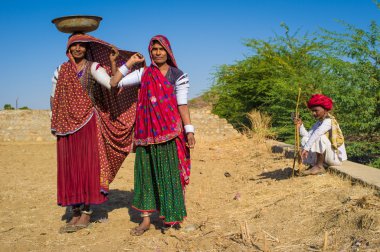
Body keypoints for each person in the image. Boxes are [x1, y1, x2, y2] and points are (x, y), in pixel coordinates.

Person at [50, 33, 140, 233]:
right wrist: (55, 122)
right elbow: (54, 97)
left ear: (87, 48)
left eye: (82, 46)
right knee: (70, 168)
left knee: (87, 166)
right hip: (66, 127)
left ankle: (87, 212)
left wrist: (123, 64)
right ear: (68, 49)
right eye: (75, 46)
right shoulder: (60, 70)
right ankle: (74, 210)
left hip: (88, 123)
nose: (78, 49)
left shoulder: (93, 67)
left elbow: (112, 83)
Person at [108, 35, 195, 235]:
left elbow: (182, 105)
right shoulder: (143, 73)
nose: (157, 52)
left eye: (161, 49)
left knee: (170, 175)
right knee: (145, 176)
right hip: (146, 133)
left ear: (168, 51)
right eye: (154, 49)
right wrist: (127, 63)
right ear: (150, 51)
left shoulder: (178, 75)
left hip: (170, 133)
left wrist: (189, 129)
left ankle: (171, 219)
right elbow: (114, 83)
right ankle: (146, 221)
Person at [294, 94, 347, 175]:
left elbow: (316, 134)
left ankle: (319, 167)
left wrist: (306, 149)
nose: (313, 113)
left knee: (320, 137)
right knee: (305, 139)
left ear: (325, 110)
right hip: (326, 158)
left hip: (334, 158)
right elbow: (308, 136)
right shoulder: (319, 122)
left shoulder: (329, 121)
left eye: (316, 110)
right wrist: (300, 125)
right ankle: (313, 165)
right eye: (312, 111)